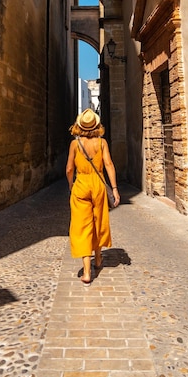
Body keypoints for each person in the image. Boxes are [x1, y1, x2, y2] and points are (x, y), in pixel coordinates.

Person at [66, 108, 120, 286]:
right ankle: (98, 259)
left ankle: (87, 272)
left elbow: (69, 169)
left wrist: (70, 185)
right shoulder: (102, 142)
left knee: (82, 226)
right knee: (99, 221)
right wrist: (115, 188)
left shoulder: (75, 144)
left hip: (81, 184)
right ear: (96, 124)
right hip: (98, 185)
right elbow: (109, 164)